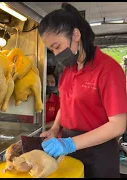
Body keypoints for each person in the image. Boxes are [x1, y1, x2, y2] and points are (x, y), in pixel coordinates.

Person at [38, 2, 127, 178]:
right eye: (51, 50)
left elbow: (118, 125)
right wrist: (55, 129)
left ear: (76, 34)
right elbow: (66, 105)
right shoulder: (68, 71)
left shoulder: (108, 69)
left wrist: (70, 143)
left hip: (98, 154)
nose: (56, 55)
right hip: (70, 150)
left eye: (57, 46)